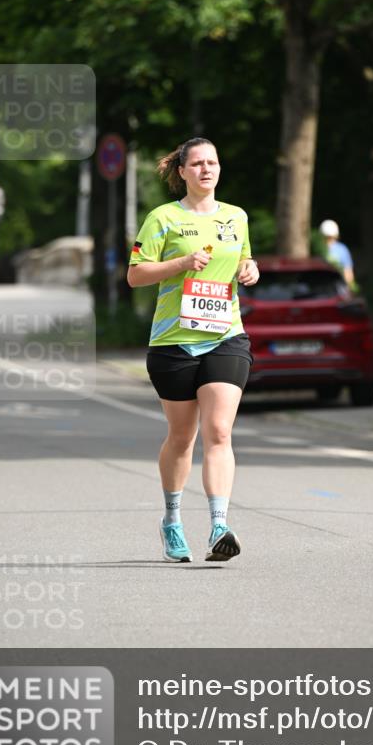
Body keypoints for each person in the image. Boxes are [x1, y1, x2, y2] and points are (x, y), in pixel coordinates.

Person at [127, 137, 260, 564]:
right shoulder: (162, 218)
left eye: (213, 162)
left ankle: (220, 525)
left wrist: (249, 268)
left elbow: (244, 260)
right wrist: (180, 264)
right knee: (183, 438)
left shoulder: (236, 217)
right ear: (181, 171)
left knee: (219, 432)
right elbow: (135, 275)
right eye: (198, 163)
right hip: (173, 342)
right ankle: (172, 520)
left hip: (226, 336)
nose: (207, 169)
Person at [319, 219, 355, 286]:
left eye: (330, 238)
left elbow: (348, 272)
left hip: (335, 287)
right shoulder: (342, 249)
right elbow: (348, 273)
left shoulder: (342, 249)